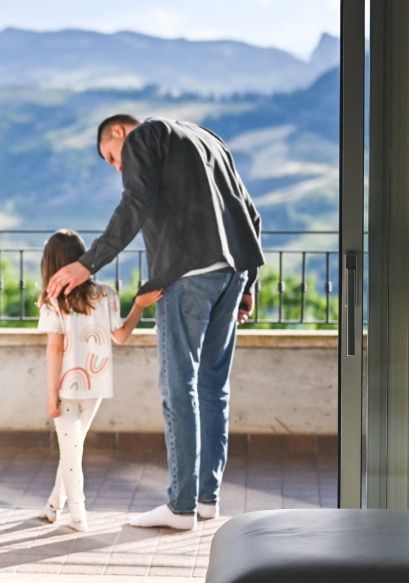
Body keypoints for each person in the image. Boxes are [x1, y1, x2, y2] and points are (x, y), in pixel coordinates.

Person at [44, 114, 264, 531]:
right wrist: (249, 282)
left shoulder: (145, 136)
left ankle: (180, 507)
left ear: (119, 133)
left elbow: (135, 203)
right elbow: (250, 214)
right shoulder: (208, 138)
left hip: (187, 275)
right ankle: (205, 501)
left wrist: (87, 264)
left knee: (178, 386)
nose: (118, 167)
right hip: (232, 275)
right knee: (214, 387)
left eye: (112, 158)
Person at [37, 229, 162, 532]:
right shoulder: (106, 295)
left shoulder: (53, 300)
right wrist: (139, 307)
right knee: (73, 449)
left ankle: (78, 514)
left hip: (67, 387)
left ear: (52, 264)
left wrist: (50, 393)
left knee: (71, 451)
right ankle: (54, 505)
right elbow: (120, 336)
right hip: (95, 386)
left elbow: (54, 349)